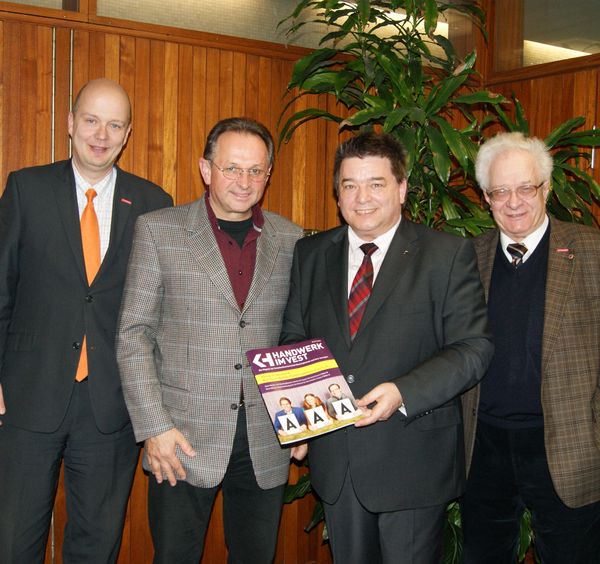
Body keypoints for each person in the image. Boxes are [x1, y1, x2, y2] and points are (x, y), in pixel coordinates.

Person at [280, 131, 493, 563]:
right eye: (349, 185)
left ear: (401, 189)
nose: (362, 198)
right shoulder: (310, 254)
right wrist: (303, 418)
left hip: (413, 464)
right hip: (338, 463)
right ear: (337, 193)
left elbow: (473, 348)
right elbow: (294, 342)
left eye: (376, 184)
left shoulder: (446, 255)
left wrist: (402, 392)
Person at [0, 78, 172, 563]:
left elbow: (160, 314)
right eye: (92, 120)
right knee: (13, 541)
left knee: (97, 545)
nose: (102, 133)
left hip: (110, 406)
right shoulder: (26, 188)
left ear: (128, 133)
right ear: (71, 123)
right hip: (25, 397)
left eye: (114, 124)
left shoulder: (153, 204)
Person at [116, 117, 303, 563]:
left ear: (269, 174)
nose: (244, 181)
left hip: (265, 440)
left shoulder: (292, 238)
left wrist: (302, 417)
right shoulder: (159, 230)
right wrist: (154, 428)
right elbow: (133, 334)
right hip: (180, 440)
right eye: (232, 168)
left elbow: (297, 333)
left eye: (256, 170)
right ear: (206, 168)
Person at [461, 131, 600, 563]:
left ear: (547, 187)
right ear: (486, 197)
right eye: (501, 191)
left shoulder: (592, 249)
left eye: (526, 188)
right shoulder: (467, 258)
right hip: (483, 450)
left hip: (569, 447)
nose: (514, 202)